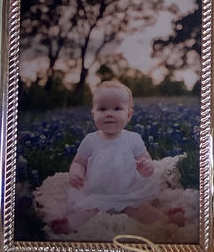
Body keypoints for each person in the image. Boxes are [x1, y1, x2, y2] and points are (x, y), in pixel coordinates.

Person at [49, 80, 179, 235]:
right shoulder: (90, 140)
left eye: (117, 108)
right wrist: (75, 172)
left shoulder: (134, 139)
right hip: (96, 192)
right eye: (102, 109)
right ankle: (69, 225)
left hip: (129, 192)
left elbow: (147, 160)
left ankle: (165, 220)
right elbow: (79, 162)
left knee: (140, 209)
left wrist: (146, 167)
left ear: (128, 115)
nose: (109, 113)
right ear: (93, 114)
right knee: (86, 210)